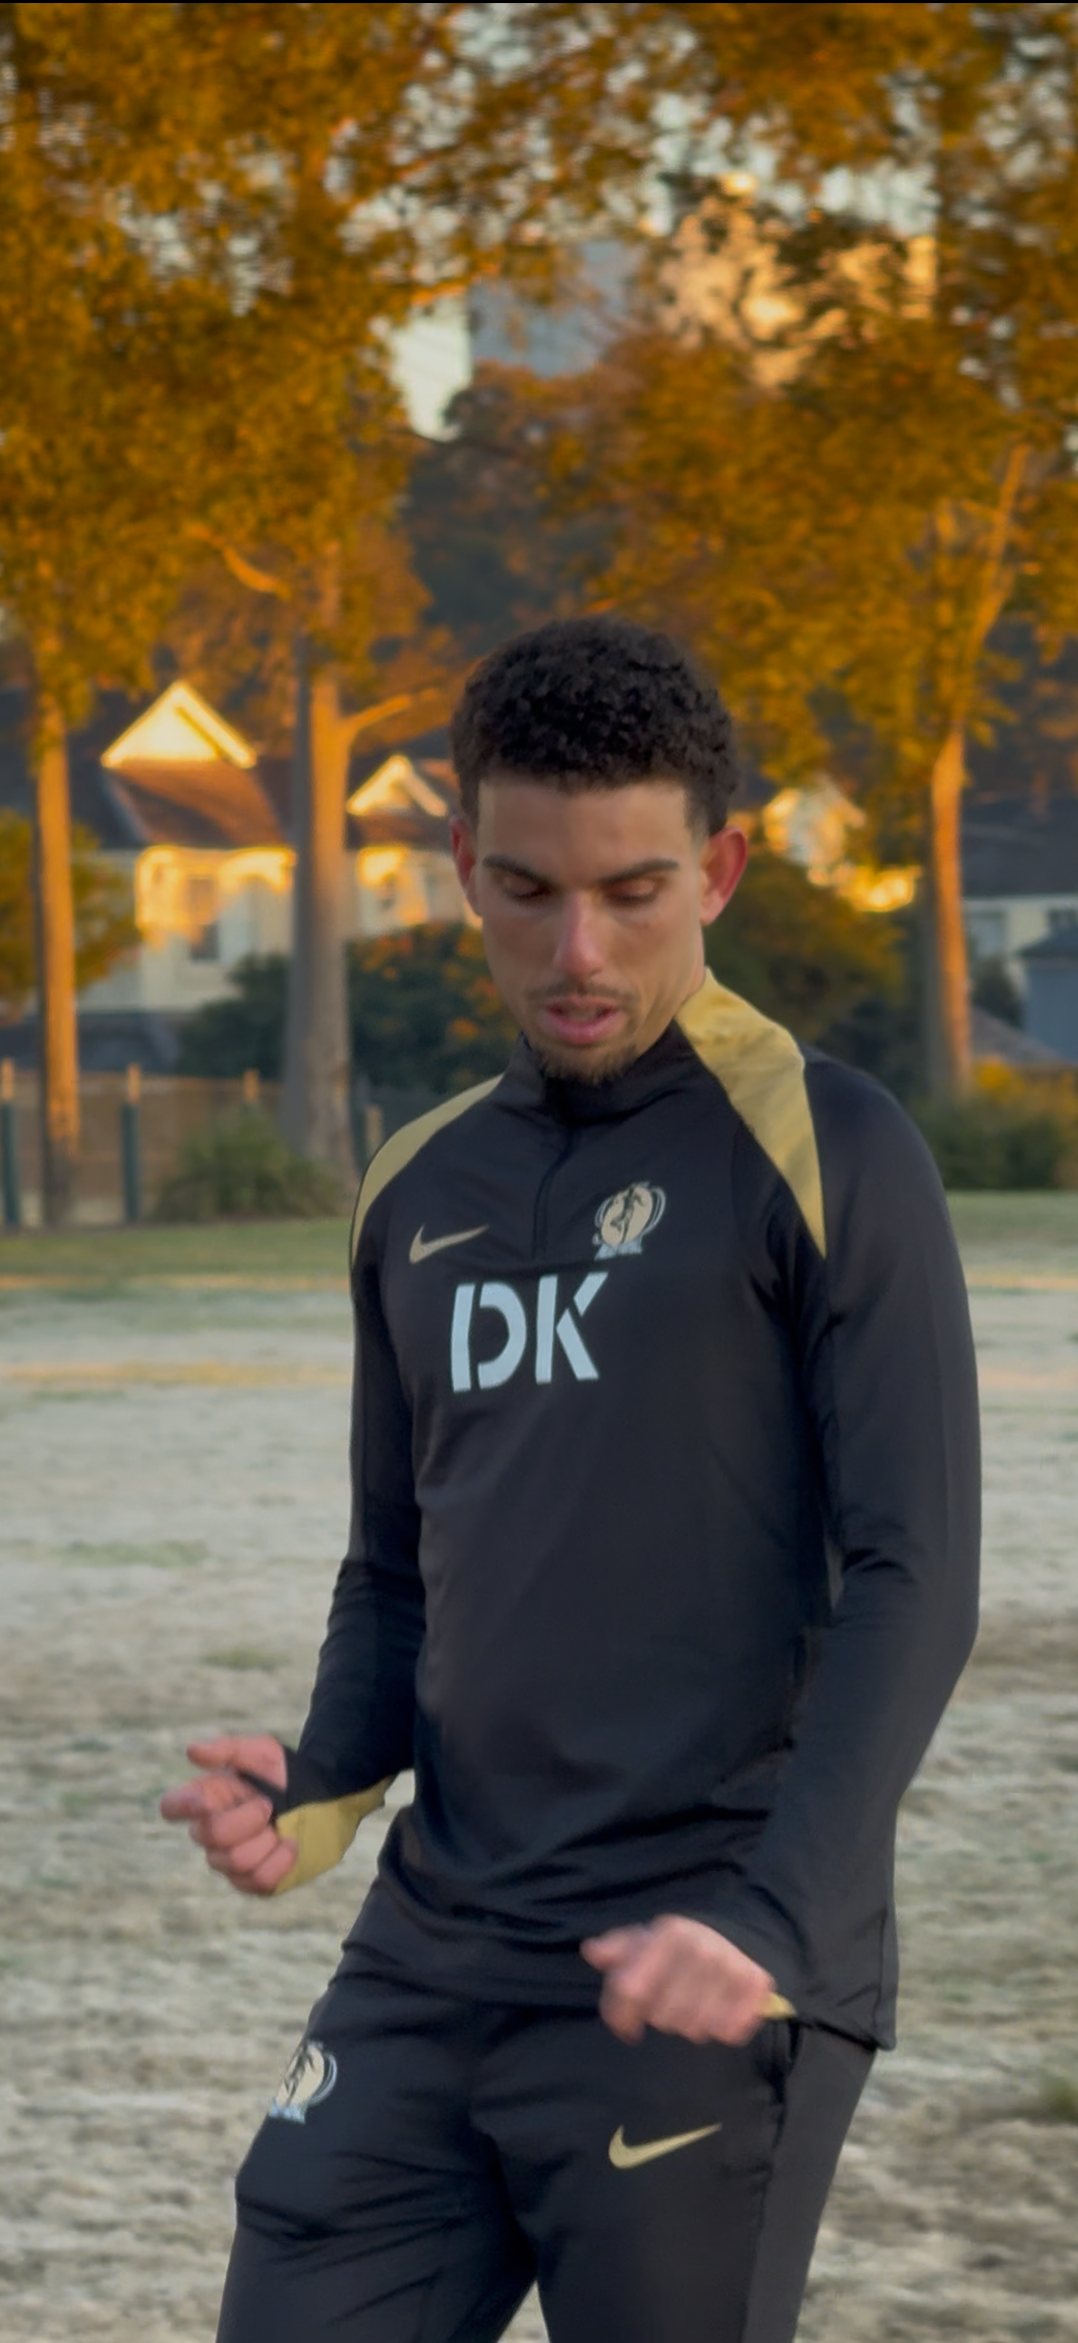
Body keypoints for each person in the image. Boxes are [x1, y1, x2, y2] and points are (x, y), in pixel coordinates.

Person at [161, 616, 980, 2343]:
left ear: (719, 871)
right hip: (431, 1954)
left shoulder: (827, 1146)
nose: (578, 949)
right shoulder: (416, 1184)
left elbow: (914, 1569)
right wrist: (318, 1778)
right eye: (528, 890)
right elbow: (400, 1565)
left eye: (633, 890)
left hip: (706, 1960)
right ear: (462, 862)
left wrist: (773, 1915)